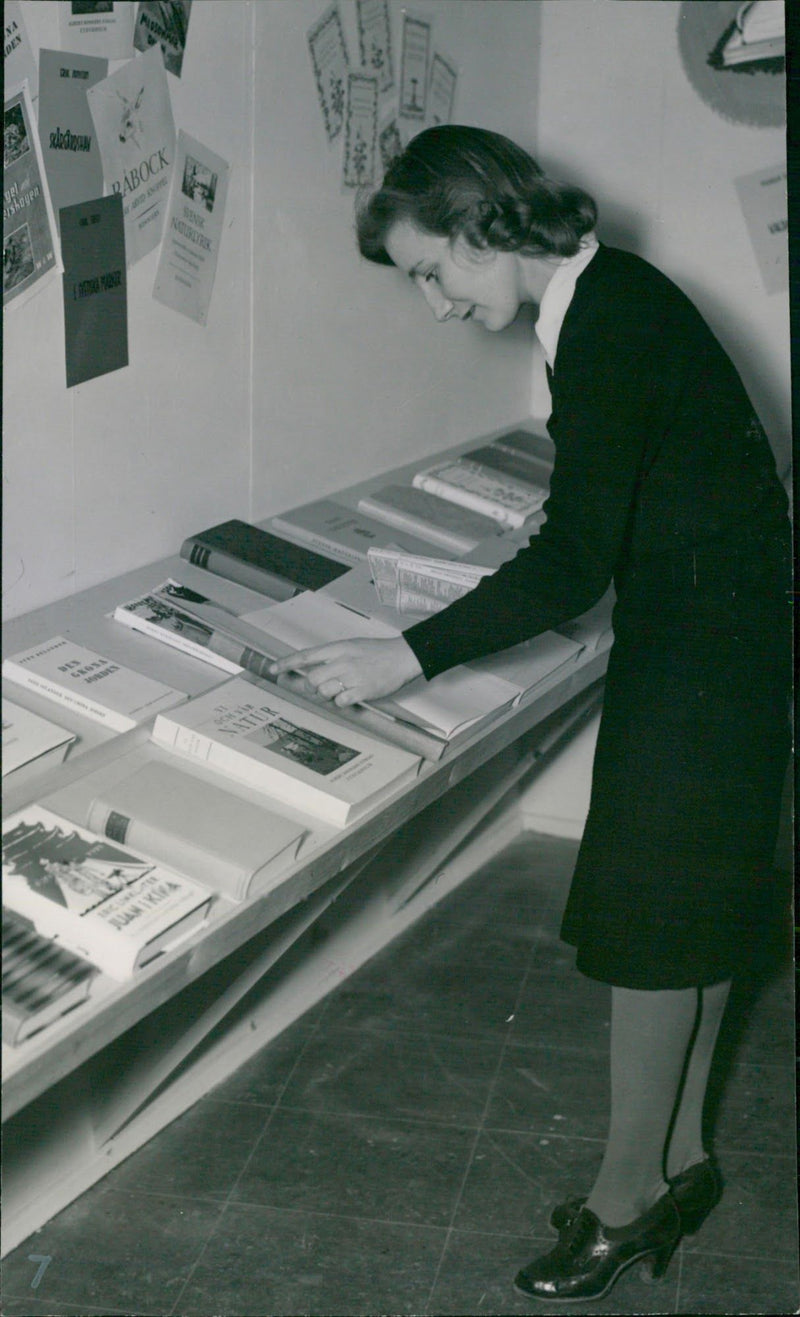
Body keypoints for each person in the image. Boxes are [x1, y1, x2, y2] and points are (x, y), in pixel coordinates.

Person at [270, 126, 792, 1303]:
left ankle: (621, 1206)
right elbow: (624, 497)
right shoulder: (606, 295)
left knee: (654, 920)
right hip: (722, 633)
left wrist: (402, 653)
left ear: (483, 228)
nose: (433, 302)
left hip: (708, 646)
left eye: (430, 270)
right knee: (692, 909)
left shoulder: (604, 317)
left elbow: (569, 567)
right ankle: (677, 1165)